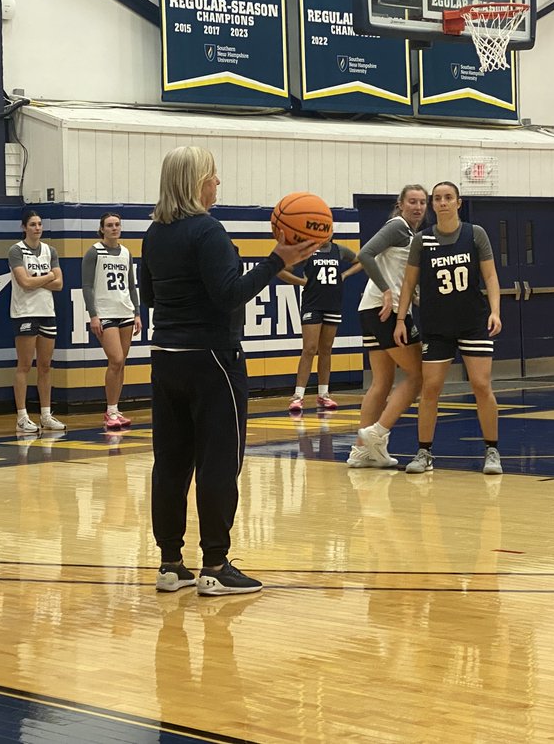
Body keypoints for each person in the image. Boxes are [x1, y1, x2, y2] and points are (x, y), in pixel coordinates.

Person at [142, 147, 320, 596]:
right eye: (213, 176)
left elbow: (147, 295)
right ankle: (216, 565)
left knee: (171, 462)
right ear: (196, 181)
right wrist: (278, 260)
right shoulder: (207, 230)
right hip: (212, 360)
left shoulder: (153, 233)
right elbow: (229, 295)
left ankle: (169, 564)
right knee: (219, 463)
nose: (217, 183)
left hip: (165, 358)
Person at [395, 181, 503, 475]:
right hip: (436, 325)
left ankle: (492, 450)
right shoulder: (423, 240)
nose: (442, 202)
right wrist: (401, 318)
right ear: (433, 204)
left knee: (481, 385)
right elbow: (408, 282)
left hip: (472, 323)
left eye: (448, 198)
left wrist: (495, 311)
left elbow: (491, 277)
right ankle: (424, 452)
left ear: (458, 202)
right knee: (430, 388)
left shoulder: (474, 234)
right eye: (437, 199)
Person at [349, 185, 428, 468]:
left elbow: (400, 275)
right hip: (386, 310)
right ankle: (377, 434)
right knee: (418, 375)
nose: (418, 207)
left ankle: (360, 451)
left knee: (381, 383)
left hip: (370, 310)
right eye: (412, 201)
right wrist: (385, 290)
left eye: (422, 202)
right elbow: (365, 254)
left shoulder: (409, 233)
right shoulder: (397, 227)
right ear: (401, 204)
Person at [279, 241, 361, 414]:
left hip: (333, 304)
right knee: (309, 348)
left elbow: (361, 261)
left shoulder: (339, 250)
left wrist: (345, 274)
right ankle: (298, 396)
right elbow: (281, 270)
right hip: (312, 305)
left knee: (326, 349)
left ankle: (323, 393)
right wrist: (301, 282)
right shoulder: (307, 251)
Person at [83, 212, 142, 431]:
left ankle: (115, 409)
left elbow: (131, 285)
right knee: (115, 359)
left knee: (121, 362)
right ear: (102, 229)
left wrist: (137, 313)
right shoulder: (94, 252)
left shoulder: (126, 252)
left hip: (125, 310)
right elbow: (87, 286)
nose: (114, 228)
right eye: (109, 225)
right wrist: (93, 314)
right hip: (105, 312)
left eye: (117, 224)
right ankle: (109, 409)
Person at [8, 209, 65, 434]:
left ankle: (46, 414)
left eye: (39, 224)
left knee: (45, 366)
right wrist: (49, 276)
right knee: (24, 365)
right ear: (24, 227)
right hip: (25, 312)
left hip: (46, 311)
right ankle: (22, 416)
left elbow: (59, 284)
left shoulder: (50, 250)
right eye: (32, 224)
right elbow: (24, 283)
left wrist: (43, 279)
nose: (37, 228)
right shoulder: (16, 250)